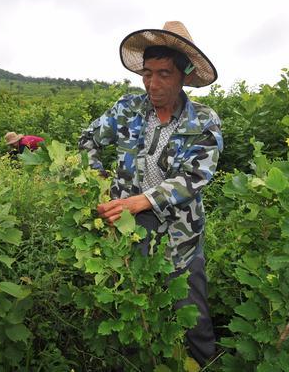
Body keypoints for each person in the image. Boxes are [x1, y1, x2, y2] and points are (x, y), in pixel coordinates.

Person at [78, 21, 223, 366]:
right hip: (129, 228)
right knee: (133, 302)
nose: (153, 84)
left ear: (185, 74)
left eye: (164, 74)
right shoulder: (127, 109)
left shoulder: (204, 120)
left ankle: (206, 364)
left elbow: (196, 176)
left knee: (191, 311)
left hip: (181, 232)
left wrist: (141, 200)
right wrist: (99, 179)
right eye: (147, 74)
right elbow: (89, 140)